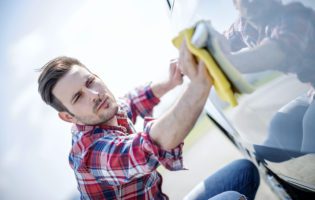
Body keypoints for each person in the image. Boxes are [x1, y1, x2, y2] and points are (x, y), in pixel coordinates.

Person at [37, 41, 259, 199]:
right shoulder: (91, 154)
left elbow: (132, 101)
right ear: (68, 117)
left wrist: (170, 81)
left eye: (90, 82)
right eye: (78, 97)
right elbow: (149, 147)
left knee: (244, 172)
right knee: (230, 198)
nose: (94, 95)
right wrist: (200, 83)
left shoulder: (107, 112)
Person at [215, 0, 315, 153]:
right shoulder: (244, 26)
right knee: (280, 124)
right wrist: (197, 51)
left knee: (311, 125)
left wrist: (218, 62)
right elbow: (219, 42)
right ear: (235, 4)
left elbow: (271, 53)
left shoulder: (296, 16)